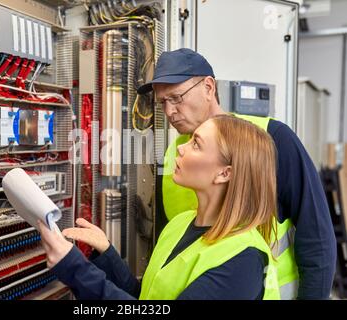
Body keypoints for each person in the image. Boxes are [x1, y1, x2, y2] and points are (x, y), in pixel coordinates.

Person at [135, 48, 336, 299]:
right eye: (162, 102)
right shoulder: (174, 155)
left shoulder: (271, 139)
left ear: (209, 87)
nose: (169, 112)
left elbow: (317, 237)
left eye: (177, 98)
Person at [38, 115, 281, 300]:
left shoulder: (243, 260)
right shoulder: (181, 223)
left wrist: (74, 268)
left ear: (224, 173)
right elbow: (146, 296)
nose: (181, 148)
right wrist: (107, 254)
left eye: (196, 144)